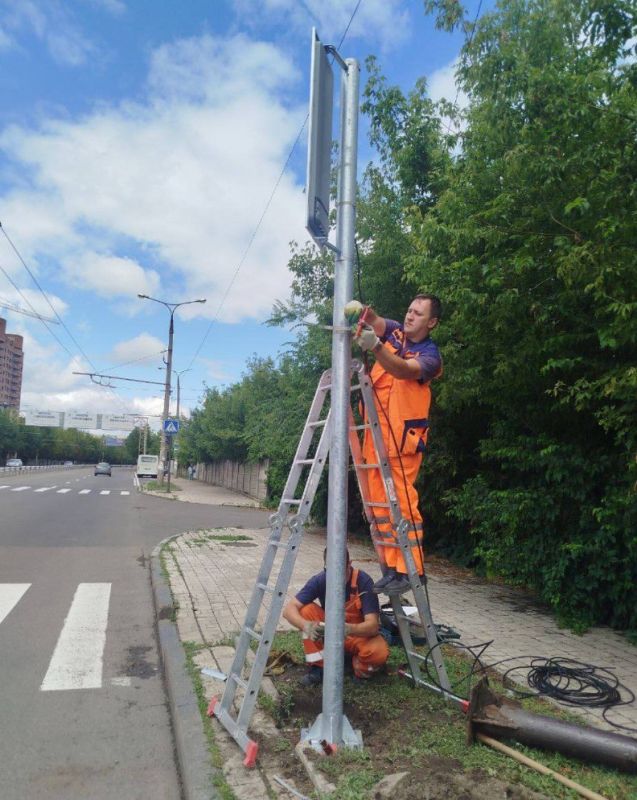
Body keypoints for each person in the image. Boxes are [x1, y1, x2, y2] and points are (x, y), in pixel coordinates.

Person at [344, 294, 443, 595]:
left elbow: (402, 370)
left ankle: (412, 569)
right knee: (379, 503)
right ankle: (392, 568)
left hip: (402, 440)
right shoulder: (396, 331)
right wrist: (360, 312)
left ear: (432, 322)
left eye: (419, 313)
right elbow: (375, 321)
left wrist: (375, 346)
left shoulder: (430, 356)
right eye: (410, 309)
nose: (411, 316)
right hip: (376, 435)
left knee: (401, 501)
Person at [282, 549, 390, 687]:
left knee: (378, 652)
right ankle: (319, 667)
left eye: (339, 570)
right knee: (306, 610)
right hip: (331, 633)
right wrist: (306, 626)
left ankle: (359, 670)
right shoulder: (320, 580)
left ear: (349, 564)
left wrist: (348, 628)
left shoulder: (364, 582)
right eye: (330, 570)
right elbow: (288, 610)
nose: (335, 577)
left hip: (357, 635)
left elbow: (373, 626)